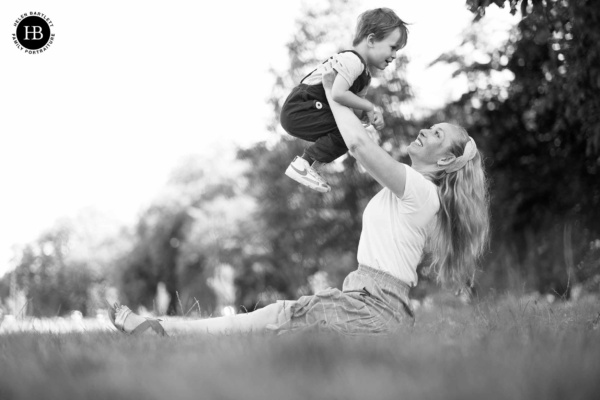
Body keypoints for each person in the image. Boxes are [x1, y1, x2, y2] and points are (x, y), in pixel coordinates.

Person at [108, 64, 490, 337]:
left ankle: (162, 331)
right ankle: (162, 330)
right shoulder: (409, 189)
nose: (426, 130)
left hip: (375, 307)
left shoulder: (421, 191)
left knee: (279, 323)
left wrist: (336, 94)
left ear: (444, 160)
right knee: (279, 324)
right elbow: (366, 145)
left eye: (437, 134)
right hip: (367, 301)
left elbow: (358, 146)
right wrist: (355, 112)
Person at [281, 8, 409, 193]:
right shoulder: (352, 60)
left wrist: (367, 115)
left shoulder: (364, 75)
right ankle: (304, 163)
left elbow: (353, 110)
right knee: (347, 129)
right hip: (301, 107)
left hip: (307, 109)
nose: (395, 55)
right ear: (371, 40)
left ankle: (310, 166)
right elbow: (338, 93)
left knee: (352, 130)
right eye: (393, 47)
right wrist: (370, 106)